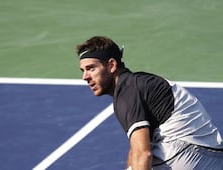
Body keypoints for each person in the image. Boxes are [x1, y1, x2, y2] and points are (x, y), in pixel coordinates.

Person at [76, 36, 223, 170]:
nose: (85, 77)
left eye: (91, 68)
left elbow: (143, 154)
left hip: (185, 153)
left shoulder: (127, 91)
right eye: (83, 70)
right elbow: (136, 150)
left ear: (112, 65)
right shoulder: (137, 84)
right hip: (210, 157)